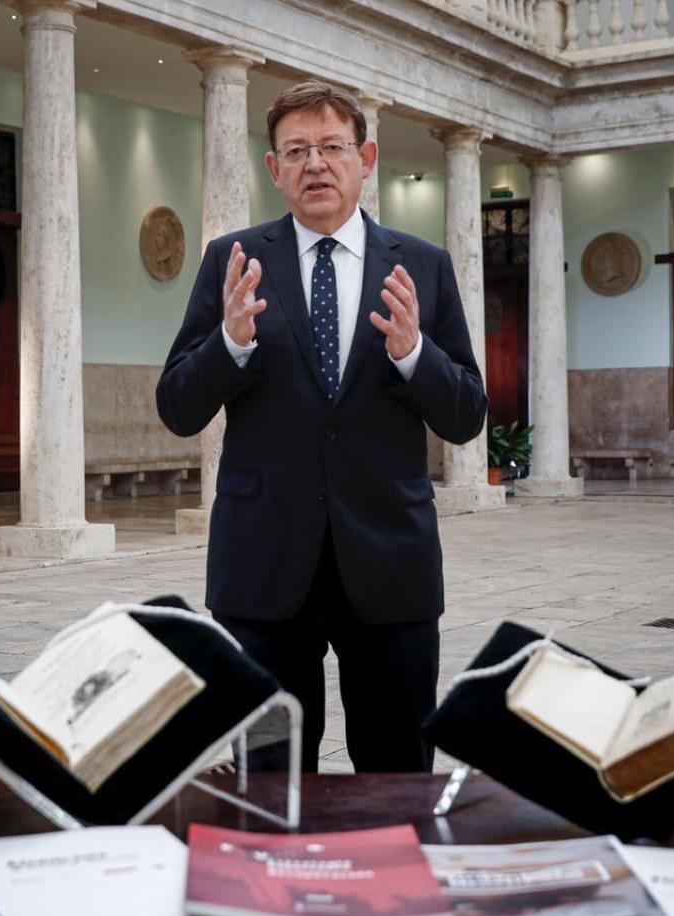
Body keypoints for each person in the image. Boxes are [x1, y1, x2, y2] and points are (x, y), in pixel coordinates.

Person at [156, 80, 488, 773]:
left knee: (398, 774)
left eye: (332, 147)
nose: (316, 165)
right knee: (270, 777)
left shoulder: (423, 266)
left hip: (389, 565)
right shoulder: (233, 262)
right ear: (273, 169)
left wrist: (413, 354)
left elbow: (465, 415)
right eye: (297, 151)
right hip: (265, 569)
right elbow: (178, 406)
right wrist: (231, 344)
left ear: (366, 159)